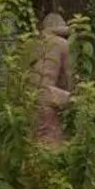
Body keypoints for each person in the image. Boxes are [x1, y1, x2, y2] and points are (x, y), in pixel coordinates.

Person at [31, 13, 73, 147]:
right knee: (52, 142)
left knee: (34, 142)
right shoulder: (63, 44)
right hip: (49, 96)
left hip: (28, 97)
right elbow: (69, 78)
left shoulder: (32, 44)